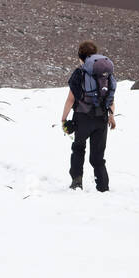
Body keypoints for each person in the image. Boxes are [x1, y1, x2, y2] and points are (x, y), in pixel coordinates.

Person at [59, 41, 116, 191]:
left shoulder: (79, 73)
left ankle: (77, 182)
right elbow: (110, 97)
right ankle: (103, 187)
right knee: (98, 157)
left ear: (80, 56)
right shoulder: (105, 74)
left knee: (78, 149)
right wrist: (111, 116)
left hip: (82, 118)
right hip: (102, 119)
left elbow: (71, 99)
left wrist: (64, 118)